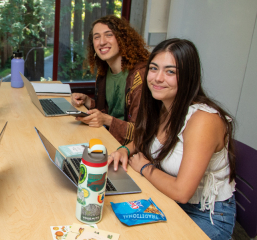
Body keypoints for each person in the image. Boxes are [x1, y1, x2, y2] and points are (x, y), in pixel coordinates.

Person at [108, 38, 236, 240]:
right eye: (154, 68)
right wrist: (124, 150)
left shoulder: (203, 120)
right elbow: (146, 139)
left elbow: (182, 192)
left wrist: (144, 167)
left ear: (188, 77)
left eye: (170, 72)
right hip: (167, 200)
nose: (158, 78)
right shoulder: (164, 105)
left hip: (205, 216)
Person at [71, 15, 149, 145]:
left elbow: (140, 132)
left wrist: (106, 120)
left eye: (108, 35)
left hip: (129, 148)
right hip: (106, 137)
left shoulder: (140, 76)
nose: (101, 42)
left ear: (122, 39)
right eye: (97, 37)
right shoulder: (103, 72)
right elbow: (110, 111)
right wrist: (88, 101)